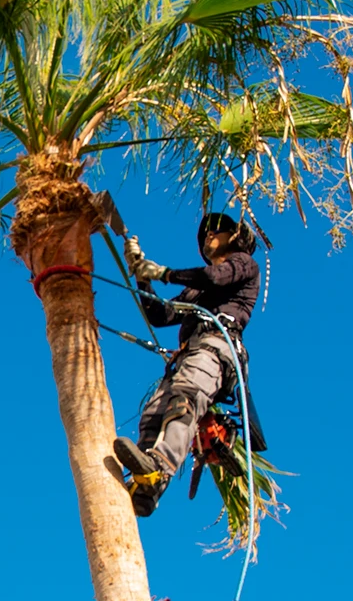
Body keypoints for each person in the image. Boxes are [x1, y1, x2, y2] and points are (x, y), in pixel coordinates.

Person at [114, 212, 261, 517]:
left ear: (234, 236)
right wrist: (140, 273)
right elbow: (161, 315)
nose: (208, 236)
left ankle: (161, 464)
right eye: (205, 234)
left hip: (216, 349)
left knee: (185, 398)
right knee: (153, 415)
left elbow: (214, 277)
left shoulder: (244, 264)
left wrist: (163, 272)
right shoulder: (197, 291)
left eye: (216, 231)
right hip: (186, 356)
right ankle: (146, 484)